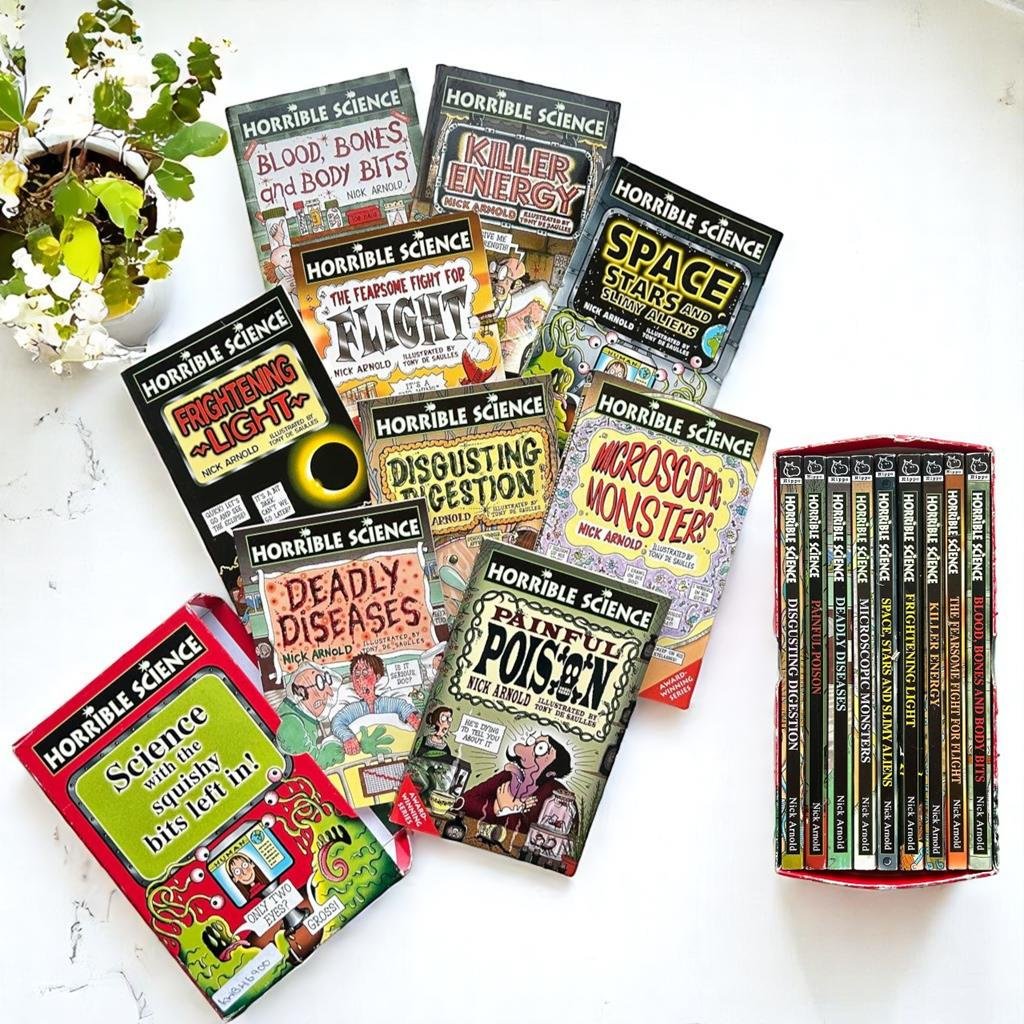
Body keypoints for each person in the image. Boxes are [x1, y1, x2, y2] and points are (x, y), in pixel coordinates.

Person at [459, 735, 576, 836]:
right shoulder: (507, 776)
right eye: (532, 743)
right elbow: (463, 801)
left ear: (551, 772)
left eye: (541, 748)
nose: (528, 748)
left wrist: (511, 809)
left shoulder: (555, 796)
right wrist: (497, 809)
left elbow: (534, 837)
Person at [331, 652, 421, 755]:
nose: (360, 680)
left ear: (377, 677)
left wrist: (411, 716)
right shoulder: (354, 709)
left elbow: (401, 706)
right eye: (357, 674)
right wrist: (348, 737)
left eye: (365, 673)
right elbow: (337, 722)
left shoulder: (386, 703)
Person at [275, 666, 346, 770]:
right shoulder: (292, 723)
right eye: (320, 684)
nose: (329, 693)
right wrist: (333, 749)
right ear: (300, 691)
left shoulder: (306, 718)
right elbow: (314, 762)